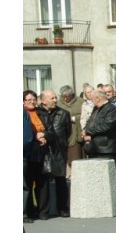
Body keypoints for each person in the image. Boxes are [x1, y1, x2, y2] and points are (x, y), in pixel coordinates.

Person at [38, 89, 71, 217]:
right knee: (43, 182)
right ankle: (43, 211)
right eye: (52, 98)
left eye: (55, 97)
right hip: (43, 151)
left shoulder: (63, 114)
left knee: (60, 180)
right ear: (43, 100)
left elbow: (68, 132)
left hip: (58, 150)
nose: (55, 100)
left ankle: (62, 208)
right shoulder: (37, 113)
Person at [23, 90, 49, 220]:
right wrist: (36, 136)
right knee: (27, 182)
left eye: (34, 99)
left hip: (41, 150)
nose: (32, 102)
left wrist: (44, 135)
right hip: (29, 150)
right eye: (29, 100)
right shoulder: (24, 113)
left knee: (42, 182)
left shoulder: (41, 112)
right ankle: (29, 211)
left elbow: (50, 128)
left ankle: (42, 211)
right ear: (23, 102)